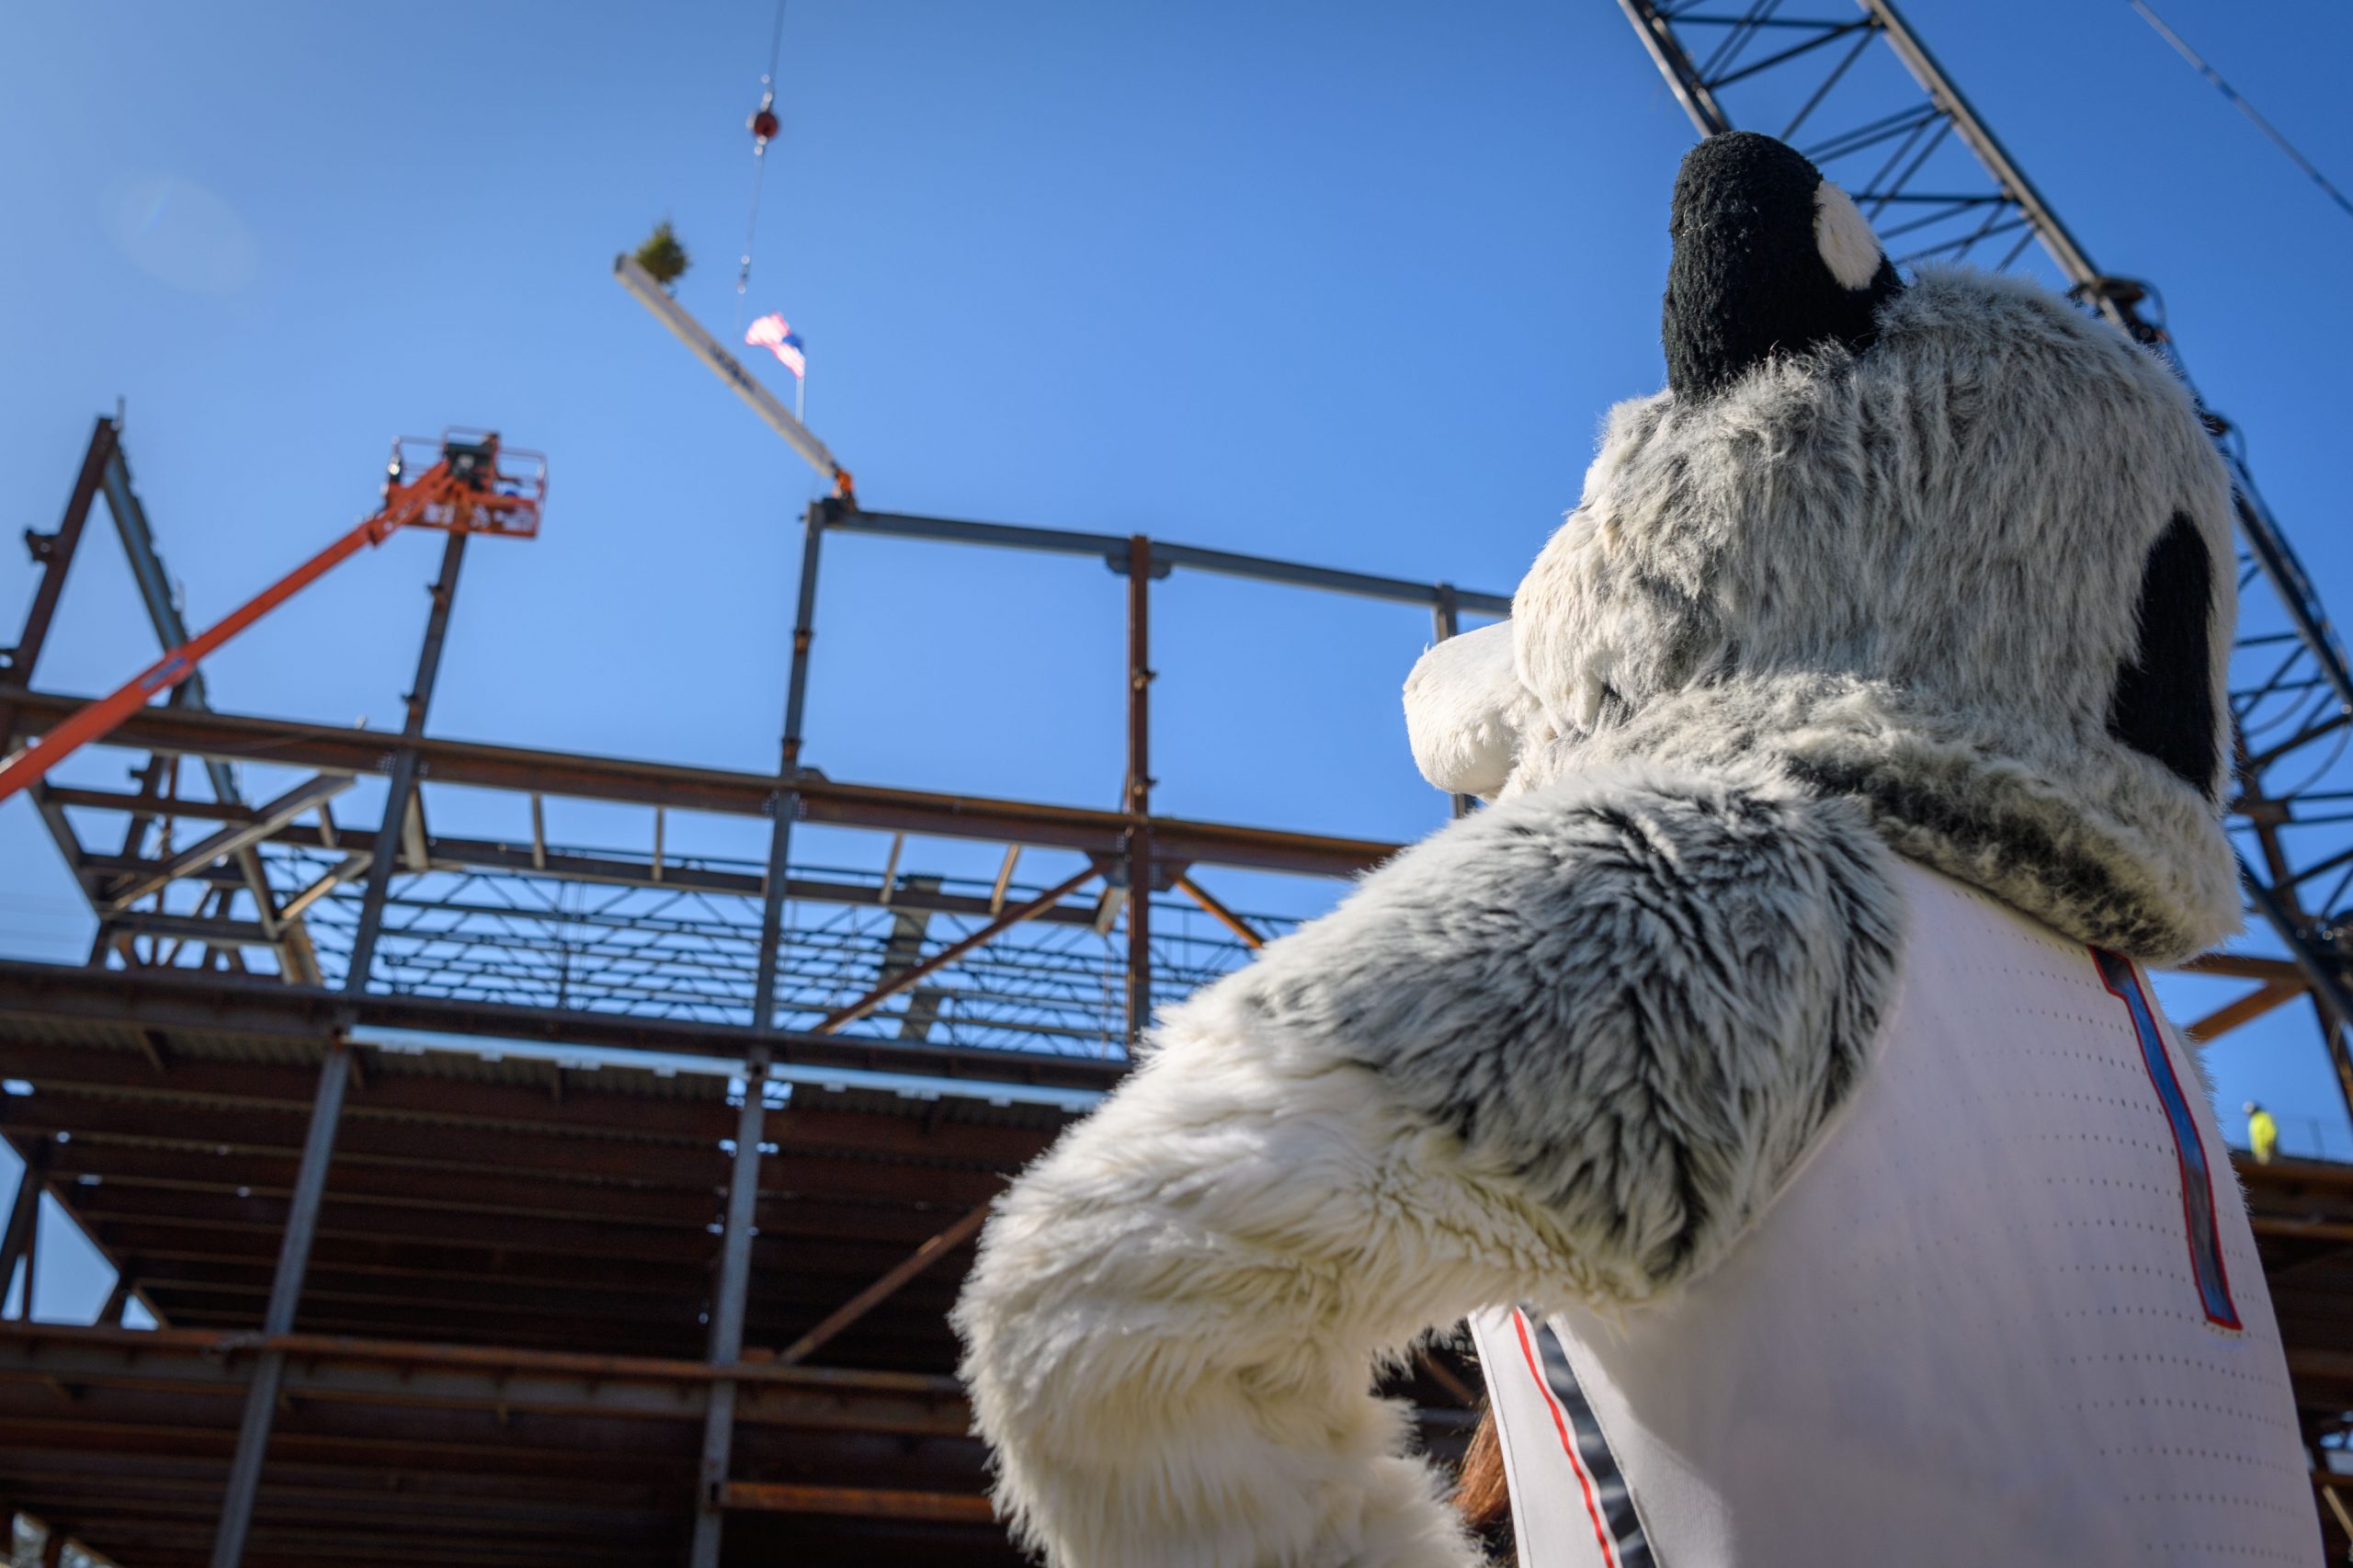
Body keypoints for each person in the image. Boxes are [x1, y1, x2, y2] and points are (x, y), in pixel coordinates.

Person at [2246, 1099, 2279, 1164]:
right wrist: (2257, 1152)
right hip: (2260, 1152)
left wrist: (2271, 1141)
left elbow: (2271, 1129)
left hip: (2269, 1146)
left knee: (2273, 1164)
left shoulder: (2264, 1116)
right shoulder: (2252, 1122)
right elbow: (2254, 1138)